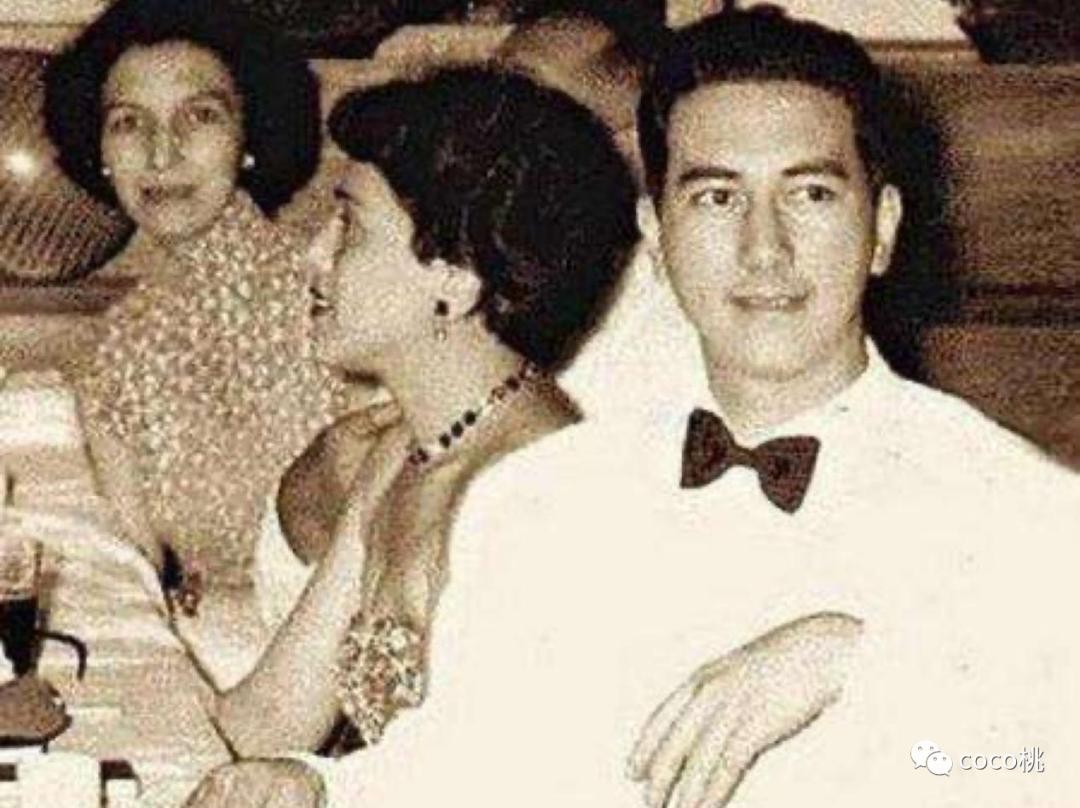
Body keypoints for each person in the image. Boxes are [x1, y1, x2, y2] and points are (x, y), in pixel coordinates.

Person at [191, 9, 1080, 807]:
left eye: (810, 194)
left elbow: (1033, 766)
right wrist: (315, 785)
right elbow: (480, 763)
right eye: (717, 197)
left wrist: (861, 668)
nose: (763, 249)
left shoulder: (1019, 513)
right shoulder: (538, 497)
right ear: (657, 238)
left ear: (880, 229)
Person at [183, 64, 637, 802]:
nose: (313, 255)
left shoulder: (542, 488)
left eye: (351, 227)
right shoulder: (408, 449)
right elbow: (268, 717)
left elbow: (501, 785)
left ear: (456, 277)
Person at [43, 0, 360, 685]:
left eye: (201, 115)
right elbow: (136, 571)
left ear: (251, 135)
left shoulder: (338, 298)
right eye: (129, 123)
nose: (162, 153)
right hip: (220, 667)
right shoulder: (113, 353)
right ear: (100, 154)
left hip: (351, 663)